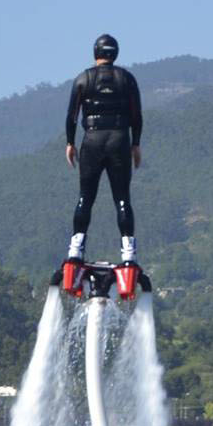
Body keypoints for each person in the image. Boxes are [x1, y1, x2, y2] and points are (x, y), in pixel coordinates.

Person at [64, 33, 143, 264]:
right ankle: (128, 252)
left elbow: (71, 117)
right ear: (115, 53)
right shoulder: (127, 79)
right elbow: (137, 116)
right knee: (122, 199)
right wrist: (135, 143)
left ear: (95, 53)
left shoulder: (83, 79)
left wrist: (70, 143)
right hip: (119, 140)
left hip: (92, 140)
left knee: (85, 198)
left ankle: (76, 249)